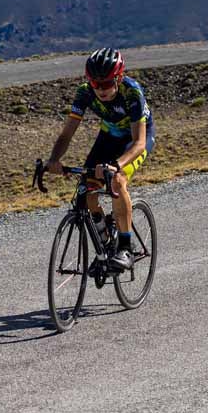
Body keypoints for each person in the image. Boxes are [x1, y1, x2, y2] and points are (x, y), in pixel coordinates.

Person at [45, 47, 155, 271]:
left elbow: (139, 143)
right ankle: (105, 246)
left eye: (106, 83)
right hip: (108, 137)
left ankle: (125, 247)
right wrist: (54, 160)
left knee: (117, 181)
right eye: (96, 84)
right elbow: (67, 134)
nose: (101, 90)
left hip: (134, 141)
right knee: (86, 193)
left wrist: (116, 165)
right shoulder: (84, 93)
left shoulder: (132, 93)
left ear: (119, 77)